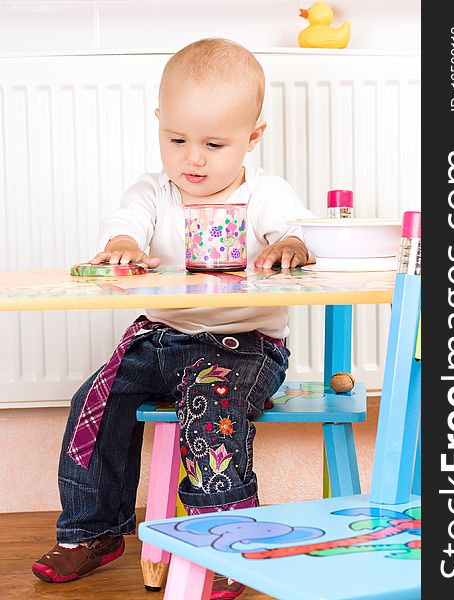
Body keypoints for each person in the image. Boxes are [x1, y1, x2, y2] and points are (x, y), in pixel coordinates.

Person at [32, 38, 316, 598]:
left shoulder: (264, 193)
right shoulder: (153, 191)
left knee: (208, 411)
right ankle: (94, 530)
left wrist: (290, 244)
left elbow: (296, 228)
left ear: (252, 137)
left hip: (243, 345)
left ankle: (227, 542)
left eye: (214, 143)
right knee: (94, 398)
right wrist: (122, 247)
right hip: (160, 339)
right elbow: (125, 225)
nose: (194, 158)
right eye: (177, 139)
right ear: (159, 122)